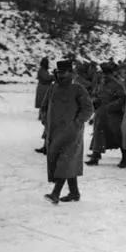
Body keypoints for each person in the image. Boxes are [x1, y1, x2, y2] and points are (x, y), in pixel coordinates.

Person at [41, 60, 94, 204]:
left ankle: (55, 193)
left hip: (72, 133)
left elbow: (88, 109)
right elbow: (44, 106)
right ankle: (74, 193)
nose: (61, 75)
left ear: (71, 73)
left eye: (64, 73)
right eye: (59, 72)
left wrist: (77, 122)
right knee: (65, 161)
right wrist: (45, 119)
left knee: (65, 161)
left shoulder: (78, 89)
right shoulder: (53, 88)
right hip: (55, 132)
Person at [85, 62, 126, 166]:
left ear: (112, 74)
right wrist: (95, 100)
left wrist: (111, 106)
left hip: (113, 115)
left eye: (107, 74)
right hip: (101, 113)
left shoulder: (118, 84)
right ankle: (95, 156)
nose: (105, 76)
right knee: (98, 134)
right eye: (103, 74)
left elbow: (122, 98)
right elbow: (95, 94)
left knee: (117, 136)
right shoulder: (101, 83)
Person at [34, 56, 55, 154]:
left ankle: (46, 146)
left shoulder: (42, 70)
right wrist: (53, 77)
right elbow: (46, 78)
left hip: (44, 88)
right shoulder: (42, 70)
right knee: (43, 104)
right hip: (44, 88)